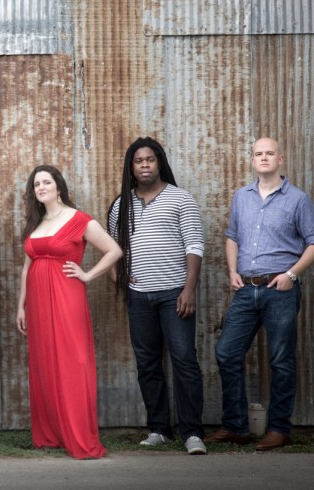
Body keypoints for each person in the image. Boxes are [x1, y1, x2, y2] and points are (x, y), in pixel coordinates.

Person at [206, 138, 314, 451]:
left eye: (269, 153)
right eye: (258, 154)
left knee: (280, 360)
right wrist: (232, 271)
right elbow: (232, 237)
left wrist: (291, 275)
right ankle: (236, 427)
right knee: (227, 353)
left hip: (280, 290)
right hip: (246, 289)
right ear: (252, 160)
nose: (263, 158)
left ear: (280, 159)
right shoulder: (241, 197)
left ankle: (279, 428)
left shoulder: (297, 199)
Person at [107, 138, 207, 455]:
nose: (145, 165)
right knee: (148, 364)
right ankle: (160, 429)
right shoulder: (121, 204)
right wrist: (120, 280)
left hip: (175, 294)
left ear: (159, 162)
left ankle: (192, 433)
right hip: (139, 297)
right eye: (139, 161)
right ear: (132, 167)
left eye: (151, 159)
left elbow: (194, 246)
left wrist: (189, 289)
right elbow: (114, 250)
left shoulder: (181, 199)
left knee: (184, 361)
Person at [15, 165, 121, 460]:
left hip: (66, 296)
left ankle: (78, 435)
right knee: (45, 362)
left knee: (73, 361)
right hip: (37, 302)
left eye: (46, 182)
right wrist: (20, 305)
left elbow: (114, 250)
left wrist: (88, 275)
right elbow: (26, 268)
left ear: (58, 186)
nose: (41, 187)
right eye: (36, 184)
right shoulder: (35, 223)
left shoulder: (79, 219)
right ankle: (52, 434)